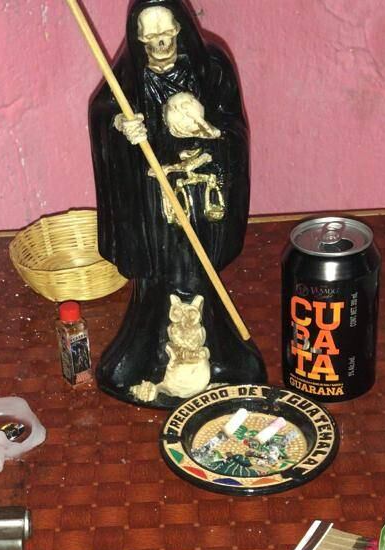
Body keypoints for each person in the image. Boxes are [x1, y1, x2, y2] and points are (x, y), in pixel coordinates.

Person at [89, 0, 265, 408]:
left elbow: (234, 129)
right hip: (155, 202)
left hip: (200, 194)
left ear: (182, 29)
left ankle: (215, 353)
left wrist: (211, 135)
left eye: (167, 33)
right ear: (137, 38)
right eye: (149, 37)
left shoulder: (211, 67)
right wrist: (120, 126)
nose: (160, 44)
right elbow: (103, 113)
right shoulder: (129, 76)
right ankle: (150, 355)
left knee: (197, 274)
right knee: (160, 278)